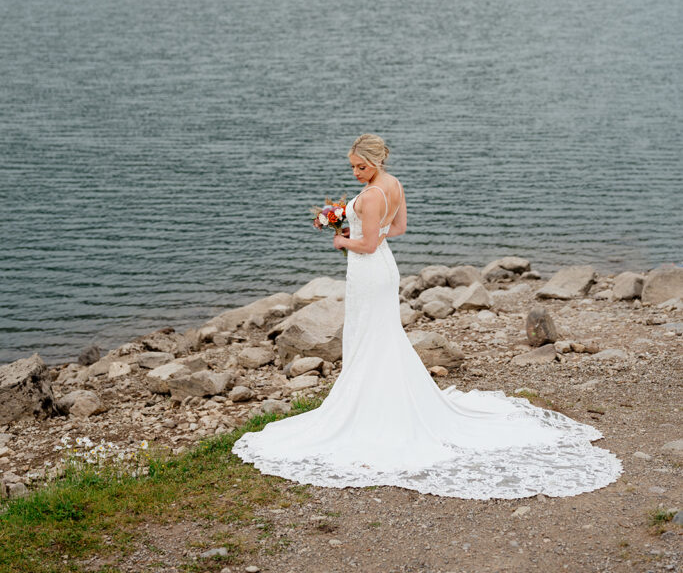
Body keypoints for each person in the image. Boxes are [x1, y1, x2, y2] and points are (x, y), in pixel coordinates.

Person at [233, 133, 622, 498]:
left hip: (369, 270)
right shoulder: (395, 184)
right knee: (378, 335)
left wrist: (341, 237)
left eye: (361, 167)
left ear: (376, 159)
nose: (356, 173)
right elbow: (397, 229)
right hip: (385, 267)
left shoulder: (370, 197)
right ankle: (382, 398)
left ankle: (369, 409)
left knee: (370, 334)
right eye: (352, 167)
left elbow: (367, 245)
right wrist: (362, 228)